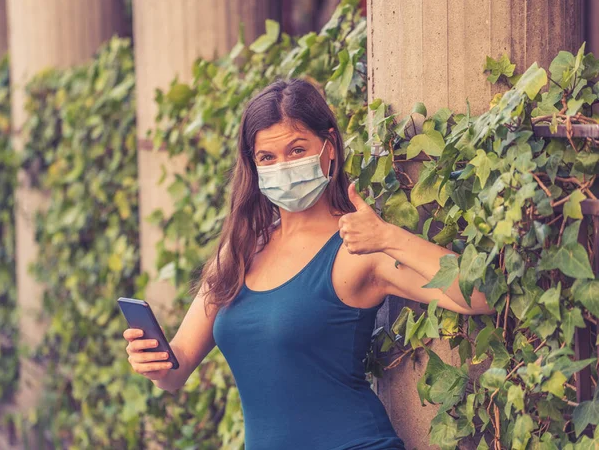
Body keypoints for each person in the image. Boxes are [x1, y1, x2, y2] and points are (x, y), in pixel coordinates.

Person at [123, 78, 495, 449]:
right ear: (253, 165)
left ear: (329, 147)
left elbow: (481, 296)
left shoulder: (358, 246)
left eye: (297, 149)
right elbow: (178, 367)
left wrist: (390, 238)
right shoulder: (238, 252)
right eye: (267, 157)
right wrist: (154, 362)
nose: (282, 166)